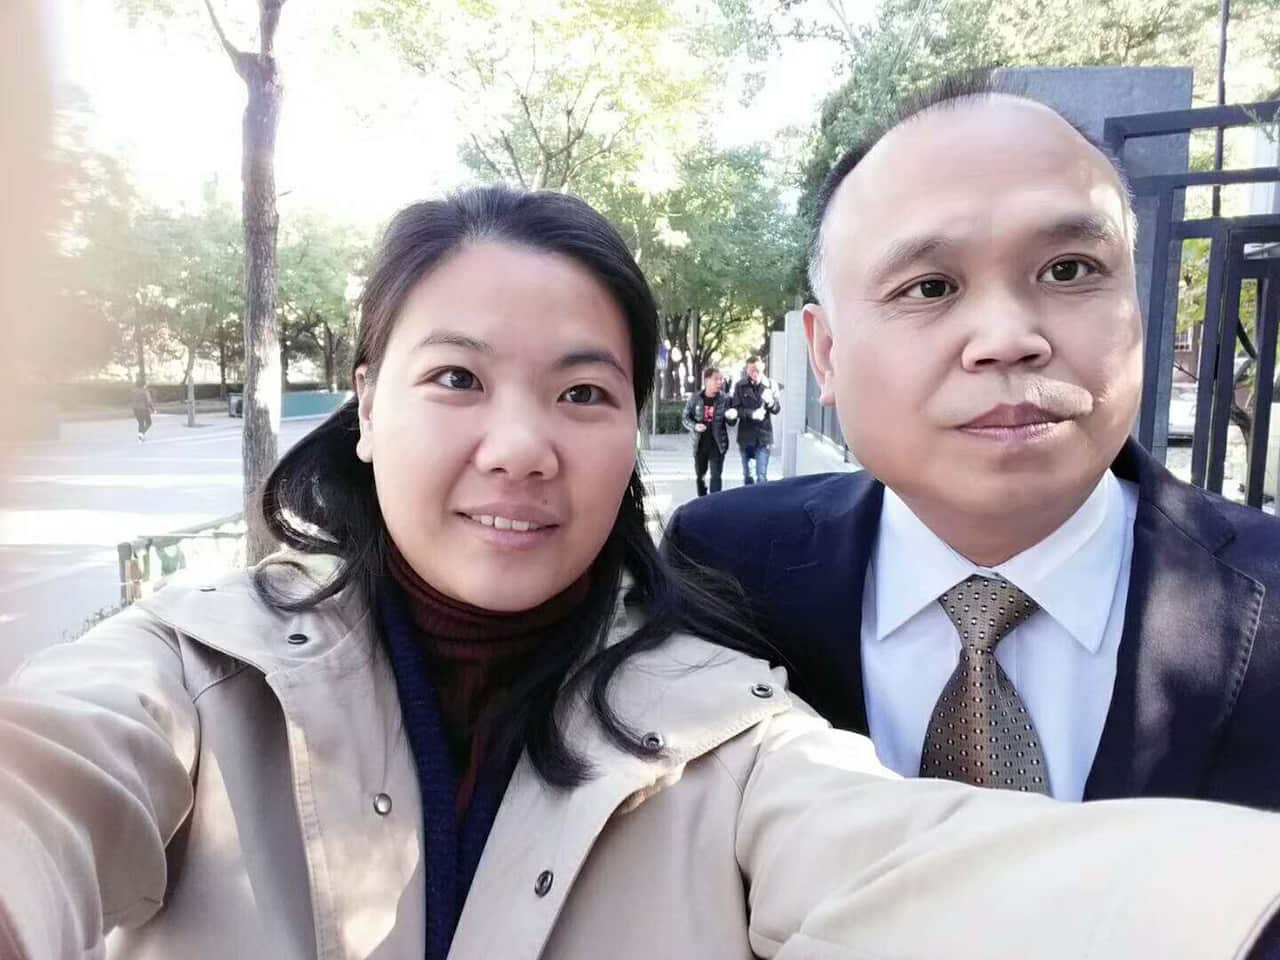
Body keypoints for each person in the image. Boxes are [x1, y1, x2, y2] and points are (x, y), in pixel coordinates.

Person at [5, 186, 1280, 960]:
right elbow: (48, 782)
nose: (521, 447)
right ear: (368, 410)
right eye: (455, 378)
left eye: (582, 391)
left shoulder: (724, 728)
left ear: (630, 437)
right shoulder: (186, 668)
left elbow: (917, 861)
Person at [664, 72, 1280, 809]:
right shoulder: (723, 573)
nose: (1008, 340)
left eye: (1070, 269)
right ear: (826, 353)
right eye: (930, 287)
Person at [729, 356, 781, 485]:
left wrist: (770, 402)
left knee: (761, 476)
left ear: (762, 368)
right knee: (748, 476)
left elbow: (776, 409)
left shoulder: (770, 384)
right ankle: (748, 503)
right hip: (746, 437)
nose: (755, 373)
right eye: (751, 370)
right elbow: (736, 409)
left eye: (757, 369)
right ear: (747, 370)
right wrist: (752, 414)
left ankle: (761, 504)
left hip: (763, 437)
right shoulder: (740, 386)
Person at [681, 367, 731, 496]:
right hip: (700, 444)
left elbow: (731, 422)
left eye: (721, 379)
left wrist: (732, 416)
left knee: (716, 477)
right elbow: (685, 418)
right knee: (700, 477)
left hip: (718, 444)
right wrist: (695, 426)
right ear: (707, 381)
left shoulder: (725, 399)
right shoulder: (695, 398)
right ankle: (701, 503)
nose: (720, 382)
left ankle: (715, 505)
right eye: (716, 379)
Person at [130, 376, 155, 442]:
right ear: (144, 384)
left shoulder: (134, 391)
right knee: (149, 423)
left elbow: (132, 400)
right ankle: (141, 434)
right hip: (144, 409)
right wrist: (153, 409)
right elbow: (149, 401)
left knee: (141, 423)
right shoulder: (145, 391)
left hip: (135, 409)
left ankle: (141, 436)